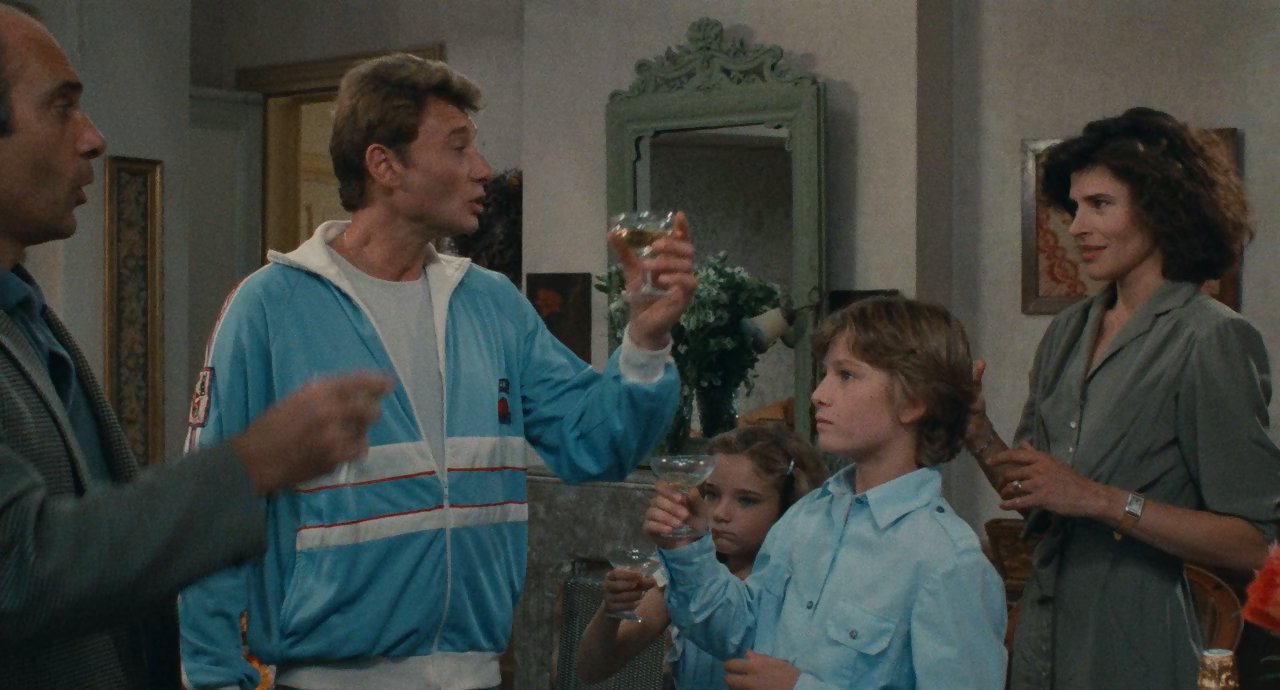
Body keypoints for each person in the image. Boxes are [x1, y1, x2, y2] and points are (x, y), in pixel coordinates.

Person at [178, 53, 695, 690]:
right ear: (384, 165)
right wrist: (212, 679)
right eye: (457, 147)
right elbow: (211, 513)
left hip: (475, 673)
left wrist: (646, 338)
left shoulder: (492, 304)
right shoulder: (269, 307)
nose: (482, 169)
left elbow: (597, 444)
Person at [0, 7, 392, 689]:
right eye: (61, 108)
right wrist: (253, 462)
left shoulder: (25, 313)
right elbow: (20, 567)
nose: (93, 138)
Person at [964, 107, 1280, 689]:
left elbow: (1254, 544)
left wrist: (1101, 500)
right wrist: (978, 432)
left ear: (1161, 210)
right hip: (1042, 636)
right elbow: (1039, 500)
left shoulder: (1211, 338)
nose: (1076, 226)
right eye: (1074, 207)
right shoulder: (1068, 332)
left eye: (1100, 205)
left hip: (1137, 645)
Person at [647, 296, 1007, 689]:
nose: (819, 393)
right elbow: (741, 632)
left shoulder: (946, 561)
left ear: (913, 401)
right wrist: (688, 547)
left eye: (846, 375)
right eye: (824, 374)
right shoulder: (807, 517)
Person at [575, 424, 828, 689]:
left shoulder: (799, 587)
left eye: (746, 500)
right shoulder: (687, 578)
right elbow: (591, 670)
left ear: (790, 506)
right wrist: (612, 610)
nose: (720, 513)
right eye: (712, 494)